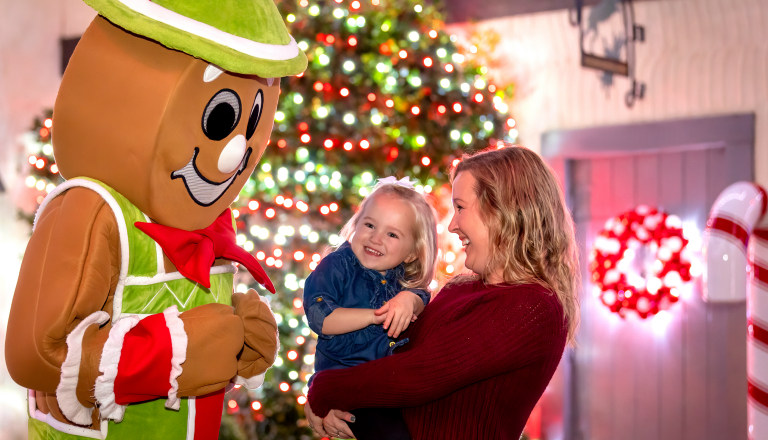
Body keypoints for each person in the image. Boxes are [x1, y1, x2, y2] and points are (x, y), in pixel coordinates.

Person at [304, 145, 580, 440]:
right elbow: (392, 359)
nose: (452, 225)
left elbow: (418, 375)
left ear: (502, 210)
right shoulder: (463, 287)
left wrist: (324, 388)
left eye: (460, 207)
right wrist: (340, 402)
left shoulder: (533, 306)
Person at [303, 176, 439, 439]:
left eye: (391, 234)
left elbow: (422, 298)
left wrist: (410, 299)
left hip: (386, 388)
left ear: (411, 253)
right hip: (344, 387)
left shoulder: (402, 280)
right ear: (356, 224)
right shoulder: (337, 266)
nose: (375, 238)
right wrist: (375, 316)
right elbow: (322, 318)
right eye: (369, 225)